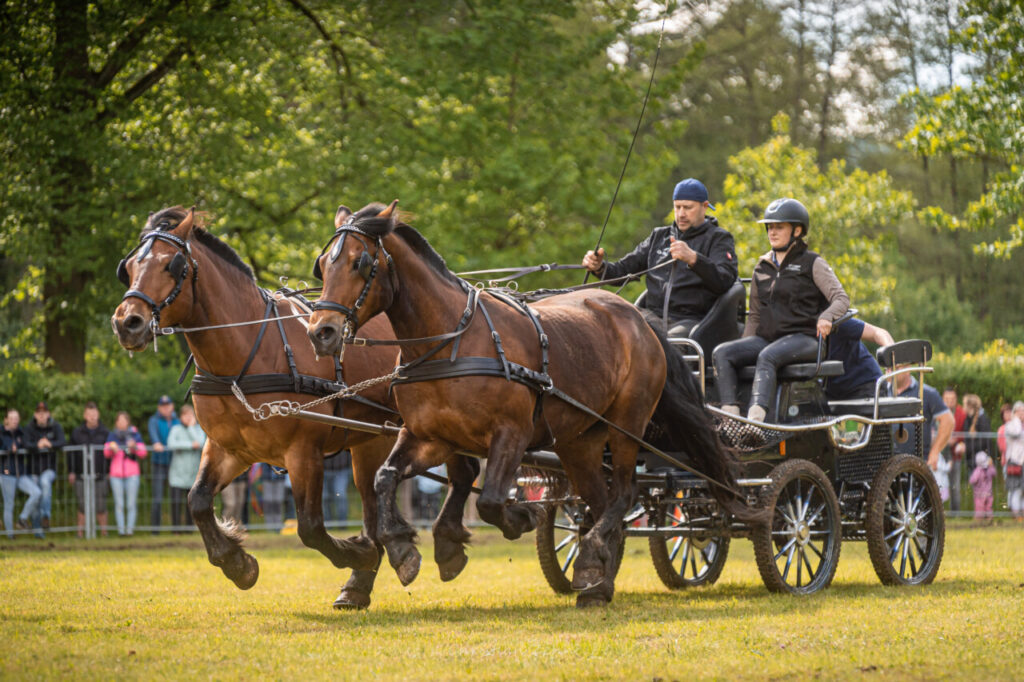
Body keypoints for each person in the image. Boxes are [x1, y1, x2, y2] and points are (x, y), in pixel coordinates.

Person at [712, 198, 849, 422]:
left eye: (779, 227)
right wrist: (745, 348)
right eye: (770, 227)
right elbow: (755, 316)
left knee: (768, 356)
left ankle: (756, 421)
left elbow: (841, 299)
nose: (772, 232)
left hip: (805, 339)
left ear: (797, 230)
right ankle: (731, 420)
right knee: (722, 353)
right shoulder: (761, 267)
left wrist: (827, 317)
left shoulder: (812, 262)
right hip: (767, 339)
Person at [581, 178, 738, 336]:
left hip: (691, 320)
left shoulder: (718, 238)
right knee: (607, 330)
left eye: (687, 208)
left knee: (665, 342)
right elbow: (622, 270)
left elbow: (725, 281)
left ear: (704, 207)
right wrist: (599, 267)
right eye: (677, 207)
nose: (681, 214)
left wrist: (694, 259)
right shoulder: (659, 236)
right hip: (650, 316)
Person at [889, 368, 954, 470]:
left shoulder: (926, 392)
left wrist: (935, 451)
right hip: (887, 468)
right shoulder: (881, 392)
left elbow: (948, 420)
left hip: (919, 466)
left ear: (907, 368)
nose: (890, 371)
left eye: (895, 368)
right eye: (888, 368)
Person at [22, 401, 65, 535]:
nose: (41, 415)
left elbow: (63, 441)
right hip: (33, 470)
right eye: (39, 412)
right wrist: (38, 445)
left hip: (49, 469)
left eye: (44, 412)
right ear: (35, 415)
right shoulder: (29, 428)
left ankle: (46, 516)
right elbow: (25, 444)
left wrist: (50, 444)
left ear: (48, 414)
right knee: (36, 498)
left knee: (45, 483)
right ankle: (38, 532)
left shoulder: (55, 426)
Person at [824, 318, 895, 400]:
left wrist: (891, 353)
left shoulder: (836, 322)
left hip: (865, 385)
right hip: (833, 391)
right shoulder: (810, 332)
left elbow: (877, 332)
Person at [69, 402, 110, 537]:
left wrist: (109, 471)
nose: (92, 416)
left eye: (94, 414)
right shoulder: (77, 432)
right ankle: (80, 533)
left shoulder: (105, 433)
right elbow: (71, 454)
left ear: (98, 415)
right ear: (85, 416)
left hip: (100, 474)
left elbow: (109, 454)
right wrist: (71, 471)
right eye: (89, 414)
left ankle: (104, 532)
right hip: (81, 474)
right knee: (82, 504)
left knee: (101, 504)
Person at [105, 411, 148, 536]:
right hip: (116, 475)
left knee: (131, 504)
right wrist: (111, 449)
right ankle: (121, 531)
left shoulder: (135, 435)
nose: (122, 423)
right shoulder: (112, 436)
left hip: (132, 474)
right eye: (119, 420)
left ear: (128, 422)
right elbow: (106, 453)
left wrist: (135, 447)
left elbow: (143, 452)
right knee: (119, 504)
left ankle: (129, 530)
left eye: (124, 420)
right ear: (116, 422)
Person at [166, 404, 205, 531]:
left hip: (193, 474)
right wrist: (190, 445)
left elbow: (201, 443)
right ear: (180, 417)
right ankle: (176, 530)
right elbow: (171, 444)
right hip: (177, 474)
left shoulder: (198, 429)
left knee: (190, 503)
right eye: (185, 415)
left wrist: (191, 428)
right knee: (176, 503)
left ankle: (189, 529)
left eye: (190, 415)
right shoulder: (176, 429)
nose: (188, 417)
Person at [941, 387, 967, 512]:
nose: (949, 402)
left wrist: (956, 440)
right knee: (938, 484)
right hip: (940, 456)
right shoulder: (938, 412)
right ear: (943, 399)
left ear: (956, 399)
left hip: (955, 455)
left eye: (952, 399)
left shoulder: (961, 413)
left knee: (955, 485)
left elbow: (965, 432)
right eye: (947, 399)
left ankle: (955, 513)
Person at [1, 408, 25, 539]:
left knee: (36, 492)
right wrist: (9, 447)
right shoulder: (1, 433)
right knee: (9, 503)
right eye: (11, 418)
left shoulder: (21, 432)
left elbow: (27, 444)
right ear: (6, 420)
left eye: (16, 418)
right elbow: (5, 445)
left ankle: (22, 518)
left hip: (19, 473)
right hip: (6, 472)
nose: (14, 421)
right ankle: (10, 535)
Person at [1002, 401, 1024, 522]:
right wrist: (1016, 419)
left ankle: (1022, 513)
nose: (1021, 414)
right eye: (1019, 411)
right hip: (1015, 461)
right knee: (1016, 489)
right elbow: (1016, 432)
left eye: (1023, 411)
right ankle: (1016, 514)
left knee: (1023, 490)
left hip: (1023, 462)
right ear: (1014, 413)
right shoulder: (1010, 425)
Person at [959, 394, 994, 469]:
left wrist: (967, 447)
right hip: (971, 461)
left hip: (982, 462)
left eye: (964, 404)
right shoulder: (967, 420)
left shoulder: (982, 420)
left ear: (970, 406)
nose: (963, 407)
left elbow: (984, 441)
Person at [322, 450, 352, 526]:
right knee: (324, 497)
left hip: (342, 470)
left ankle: (342, 524)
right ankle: (328, 524)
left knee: (340, 495)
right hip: (323, 471)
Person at [968, 451, 996, 526]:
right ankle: (989, 520)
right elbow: (994, 473)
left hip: (979, 494)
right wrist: (991, 465)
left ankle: (979, 522)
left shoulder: (977, 470)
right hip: (989, 493)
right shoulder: (989, 469)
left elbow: (972, 480)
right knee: (988, 508)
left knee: (979, 509)